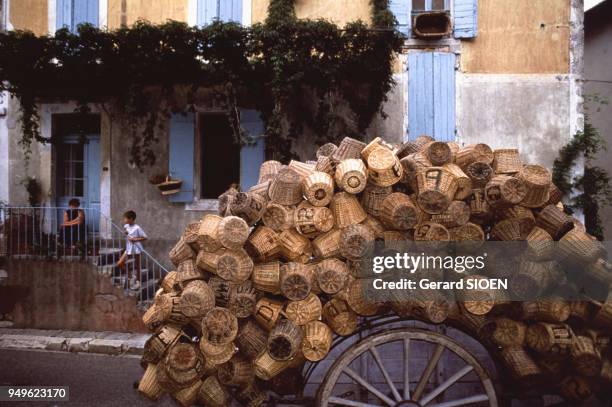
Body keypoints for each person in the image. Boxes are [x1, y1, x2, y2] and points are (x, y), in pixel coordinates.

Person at [117, 210, 147, 291]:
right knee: (120, 263)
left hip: (136, 248)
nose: (124, 220)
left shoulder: (137, 228)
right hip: (128, 248)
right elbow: (127, 232)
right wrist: (126, 233)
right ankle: (130, 276)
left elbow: (145, 237)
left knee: (138, 266)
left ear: (131, 219)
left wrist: (135, 239)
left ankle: (138, 282)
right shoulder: (126, 226)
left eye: (125, 218)